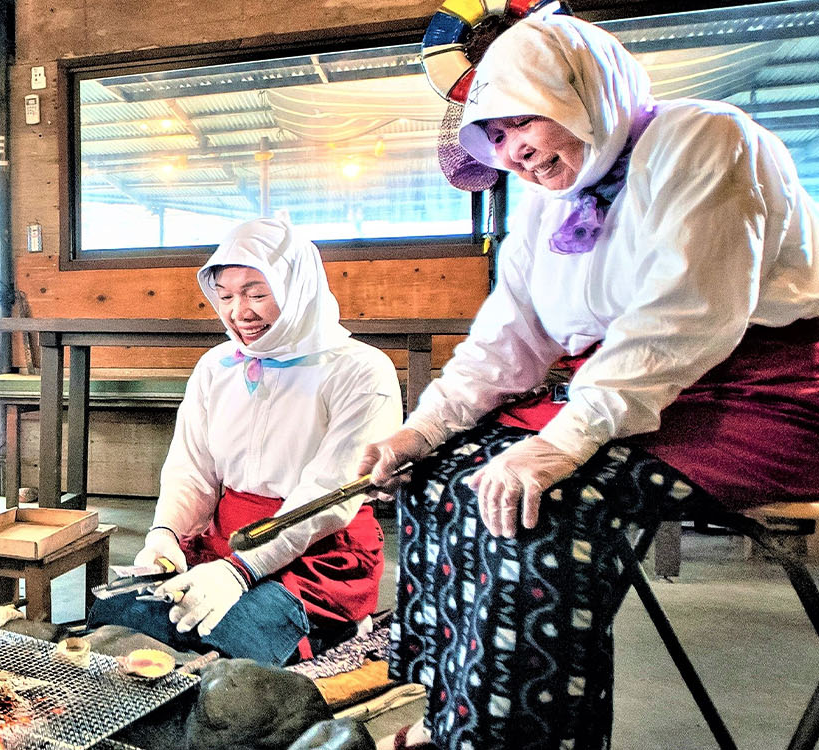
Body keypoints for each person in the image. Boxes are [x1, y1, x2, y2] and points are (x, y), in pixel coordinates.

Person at [360, 15, 819, 750]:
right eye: (497, 136)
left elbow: (683, 318)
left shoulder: (705, 138)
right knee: (440, 476)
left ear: (581, 89)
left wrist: (563, 442)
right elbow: (508, 334)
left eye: (523, 121)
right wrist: (424, 427)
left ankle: (517, 740)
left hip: (764, 386)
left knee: (541, 501)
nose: (516, 152)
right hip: (635, 384)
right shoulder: (546, 201)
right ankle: (453, 716)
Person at [88, 218, 402, 664]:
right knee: (118, 616)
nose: (240, 312)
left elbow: (330, 493)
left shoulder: (360, 369)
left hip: (317, 550)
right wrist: (166, 535)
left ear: (298, 287)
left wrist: (240, 571)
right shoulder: (217, 366)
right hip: (225, 541)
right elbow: (192, 467)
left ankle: (337, 626)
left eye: (257, 294)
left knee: (232, 641)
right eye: (226, 296)